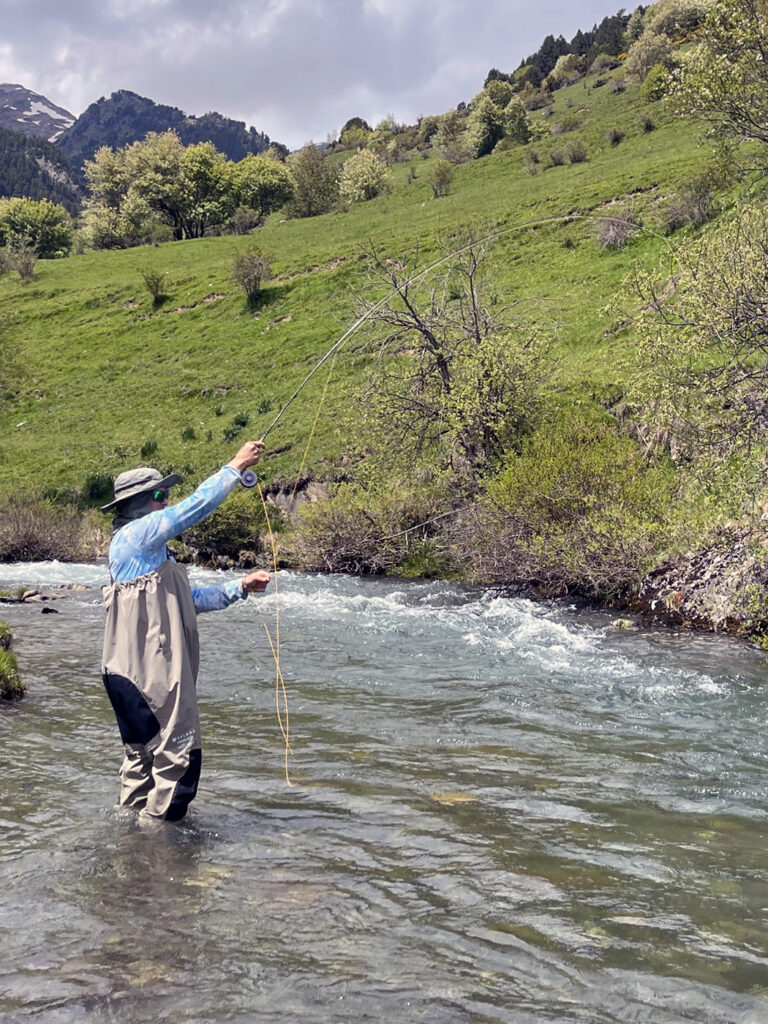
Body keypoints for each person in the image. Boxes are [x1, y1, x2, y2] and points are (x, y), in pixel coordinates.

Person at [99, 440, 270, 823]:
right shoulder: (137, 536)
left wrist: (239, 588)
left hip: (124, 674)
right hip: (151, 675)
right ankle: (165, 857)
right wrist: (235, 467)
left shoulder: (144, 554)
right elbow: (191, 510)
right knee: (179, 758)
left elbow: (188, 599)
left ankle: (132, 850)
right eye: (159, 495)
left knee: (143, 763)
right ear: (137, 504)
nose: (165, 501)